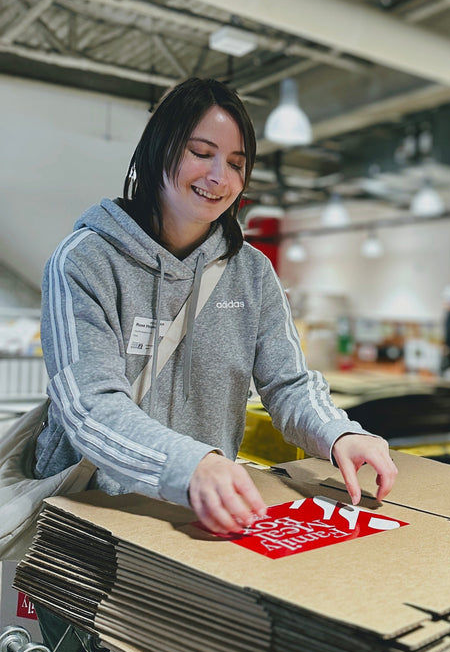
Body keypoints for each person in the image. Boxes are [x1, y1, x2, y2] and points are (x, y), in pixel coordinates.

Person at [35, 77, 398, 541]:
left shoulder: (252, 272)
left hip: (200, 515)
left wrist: (338, 432)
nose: (218, 177)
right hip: (88, 515)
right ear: (157, 150)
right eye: (201, 153)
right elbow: (90, 405)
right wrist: (191, 465)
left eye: (235, 163)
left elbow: (287, 383)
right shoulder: (85, 260)